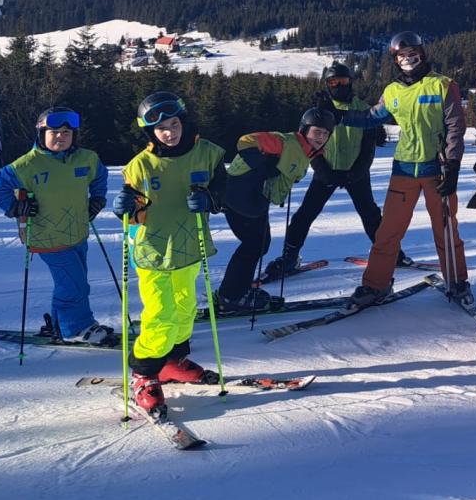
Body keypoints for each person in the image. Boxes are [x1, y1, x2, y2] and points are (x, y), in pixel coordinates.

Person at [113, 91, 227, 419]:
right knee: (160, 314)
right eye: (161, 128)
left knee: (185, 307)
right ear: (150, 132)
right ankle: (144, 373)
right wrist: (123, 207)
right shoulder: (140, 166)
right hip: (153, 250)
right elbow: (131, 208)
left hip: (190, 245)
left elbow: (225, 192)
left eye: (174, 124)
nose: (169, 132)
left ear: (183, 121)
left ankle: (172, 362)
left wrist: (211, 200)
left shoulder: (209, 154)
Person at [352, 31, 470, 308]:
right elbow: (371, 117)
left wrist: (452, 166)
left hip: (436, 168)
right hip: (404, 168)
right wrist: (338, 117)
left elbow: (455, 126)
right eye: (401, 56)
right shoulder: (393, 91)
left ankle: (457, 280)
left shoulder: (442, 85)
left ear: (422, 53)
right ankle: (375, 285)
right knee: (388, 231)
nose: (407, 59)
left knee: (445, 229)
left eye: (412, 54)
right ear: (395, 60)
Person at [0, 106, 113, 344]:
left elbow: (100, 177)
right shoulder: (27, 165)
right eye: (54, 132)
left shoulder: (86, 158)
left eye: (66, 132)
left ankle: (59, 323)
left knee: (71, 283)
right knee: (75, 285)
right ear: (41, 134)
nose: (61, 137)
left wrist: (97, 199)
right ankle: (75, 328)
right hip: (48, 236)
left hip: (77, 233)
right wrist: (16, 208)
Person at [260, 63, 386, 283]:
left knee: (370, 214)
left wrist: (357, 172)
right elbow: (306, 142)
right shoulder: (319, 109)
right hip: (326, 170)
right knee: (305, 214)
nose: (338, 86)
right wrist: (322, 169)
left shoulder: (362, 108)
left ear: (351, 82)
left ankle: (389, 253)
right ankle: (289, 257)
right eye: (332, 82)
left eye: (343, 81)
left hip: (355, 172)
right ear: (326, 84)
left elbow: (368, 146)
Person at [214, 104, 336, 311]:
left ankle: (236, 290)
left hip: (255, 198)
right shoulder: (285, 142)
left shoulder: (307, 151)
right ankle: (230, 297)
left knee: (258, 244)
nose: (321, 136)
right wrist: (262, 164)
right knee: (254, 245)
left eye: (325, 133)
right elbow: (245, 141)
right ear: (304, 130)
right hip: (241, 194)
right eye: (317, 131)